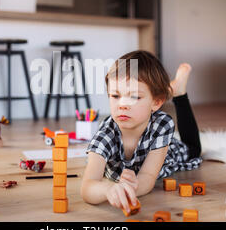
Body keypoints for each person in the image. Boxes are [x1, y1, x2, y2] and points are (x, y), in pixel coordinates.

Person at [80, 50, 203, 214]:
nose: (122, 104)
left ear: (156, 102)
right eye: (115, 95)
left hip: (161, 152)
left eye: (134, 97)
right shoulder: (105, 135)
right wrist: (108, 190)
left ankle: (178, 92)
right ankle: (169, 89)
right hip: (130, 157)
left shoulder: (162, 125)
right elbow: (88, 187)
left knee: (193, 150)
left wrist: (130, 189)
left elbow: (148, 176)